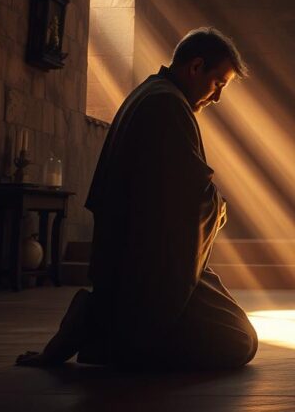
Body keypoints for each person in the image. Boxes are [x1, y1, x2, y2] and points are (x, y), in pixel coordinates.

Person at [16, 27, 257, 370]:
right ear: (195, 67)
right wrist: (218, 208)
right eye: (218, 83)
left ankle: (102, 325)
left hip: (147, 258)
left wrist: (210, 203)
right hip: (149, 272)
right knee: (237, 342)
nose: (217, 97)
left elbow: (174, 189)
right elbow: (192, 196)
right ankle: (105, 333)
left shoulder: (153, 93)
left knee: (241, 336)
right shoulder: (167, 104)